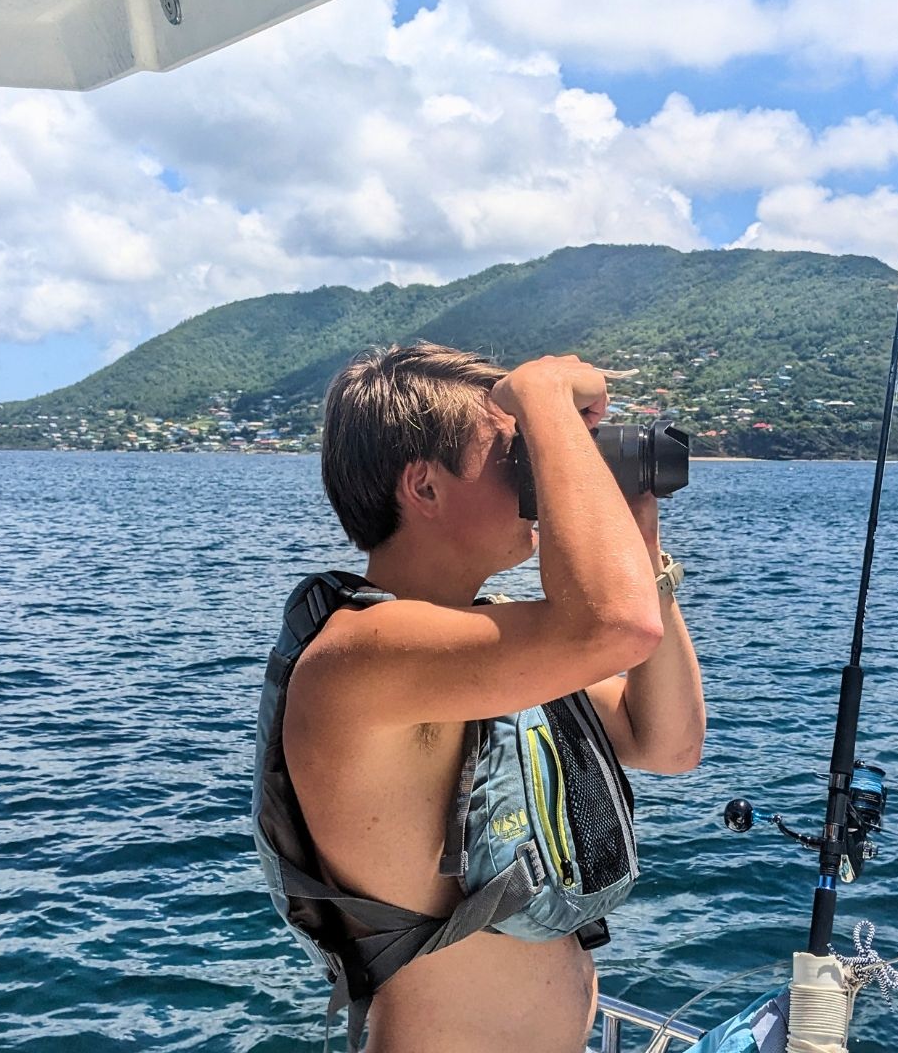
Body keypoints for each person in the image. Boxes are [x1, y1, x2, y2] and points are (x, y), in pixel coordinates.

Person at [254, 342, 705, 1053]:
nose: (538, 475)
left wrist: (639, 541)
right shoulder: (359, 655)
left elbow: (669, 741)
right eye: (514, 455)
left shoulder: (483, 643)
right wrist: (548, 398)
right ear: (425, 488)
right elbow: (613, 625)